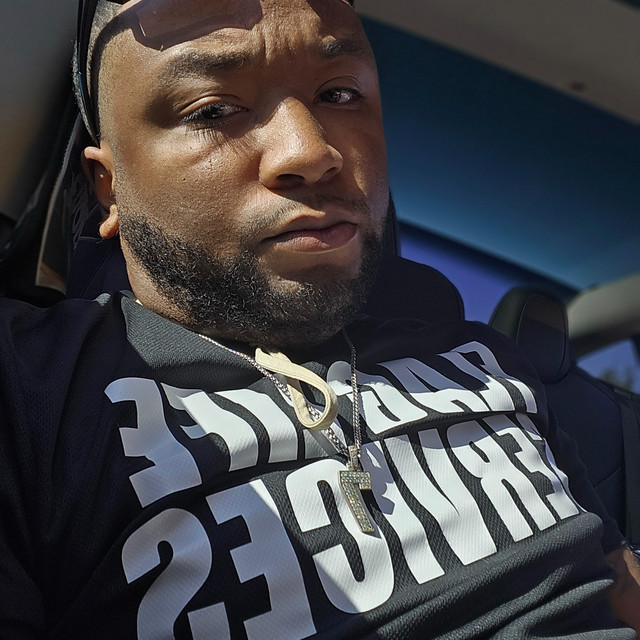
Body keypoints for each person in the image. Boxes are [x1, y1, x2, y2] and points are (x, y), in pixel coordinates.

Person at [1, 0, 639, 637]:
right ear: (108, 187)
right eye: (213, 110)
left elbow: (620, 586)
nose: (311, 151)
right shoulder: (33, 391)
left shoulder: (490, 361)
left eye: (338, 93)